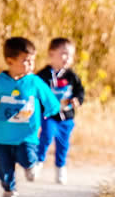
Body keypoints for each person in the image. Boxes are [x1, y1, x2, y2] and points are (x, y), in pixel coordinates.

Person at [0, 37, 60, 197]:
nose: (31, 65)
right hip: (1, 137)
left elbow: (49, 99)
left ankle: (32, 165)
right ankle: (9, 191)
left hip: (26, 136)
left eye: (33, 60)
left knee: (26, 157)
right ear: (10, 61)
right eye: (26, 61)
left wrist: (51, 111)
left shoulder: (34, 81)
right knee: (3, 167)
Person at [35, 37, 85, 185]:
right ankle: (38, 163)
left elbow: (80, 91)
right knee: (46, 137)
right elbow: (35, 90)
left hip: (66, 116)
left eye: (70, 55)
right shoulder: (43, 75)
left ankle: (60, 168)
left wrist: (77, 99)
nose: (67, 58)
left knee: (63, 144)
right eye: (63, 54)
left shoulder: (71, 76)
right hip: (49, 115)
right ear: (51, 54)